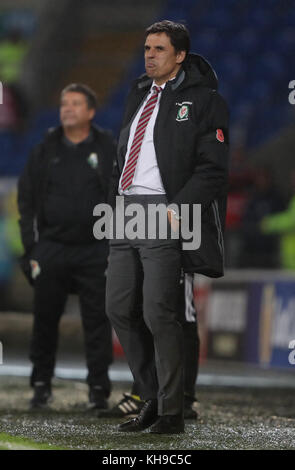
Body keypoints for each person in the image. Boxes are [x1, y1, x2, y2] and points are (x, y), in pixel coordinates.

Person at [106, 20, 229, 434]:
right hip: (125, 211)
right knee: (119, 307)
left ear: (179, 55)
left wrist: (179, 209)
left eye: (159, 49)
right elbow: (124, 153)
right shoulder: (138, 93)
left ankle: (172, 411)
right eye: (146, 48)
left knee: (160, 312)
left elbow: (212, 170)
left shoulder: (205, 101)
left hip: (164, 211)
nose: (149, 55)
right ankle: (152, 397)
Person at [17, 83, 116, 409]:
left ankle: (98, 389)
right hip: (52, 248)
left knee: (97, 321)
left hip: (95, 250)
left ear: (90, 111)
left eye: (75, 103)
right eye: (63, 104)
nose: (67, 109)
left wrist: (115, 244)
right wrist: (32, 249)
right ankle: (41, 384)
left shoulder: (107, 148)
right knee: (45, 319)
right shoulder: (44, 149)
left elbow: (120, 197)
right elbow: (27, 201)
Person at [99, 273, 200, 420]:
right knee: (141, 309)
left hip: (180, 252)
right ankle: (145, 393)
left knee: (181, 314)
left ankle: (182, 397)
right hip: (144, 251)